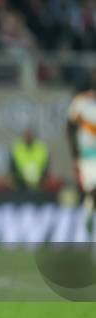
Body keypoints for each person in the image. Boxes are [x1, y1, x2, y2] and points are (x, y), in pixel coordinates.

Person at [67, 71, 96, 233]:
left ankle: (89, 214)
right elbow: (70, 127)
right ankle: (88, 217)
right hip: (87, 155)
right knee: (91, 189)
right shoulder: (81, 102)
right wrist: (74, 153)